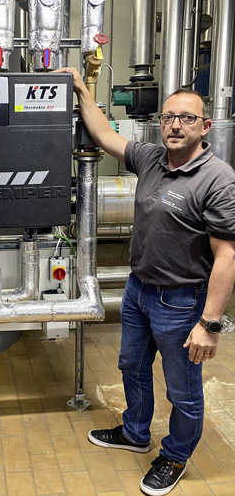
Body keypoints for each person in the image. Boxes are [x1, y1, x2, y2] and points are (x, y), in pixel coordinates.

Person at [55, 67, 235, 495]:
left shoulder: (218, 179)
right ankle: (136, 432)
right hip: (138, 290)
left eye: (187, 118)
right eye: (169, 117)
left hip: (182, 300)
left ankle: (174, 455)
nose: (175, 125)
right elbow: (104, 135)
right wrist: (82, 89)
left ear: (205, 126)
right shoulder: (151, 158)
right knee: (131, 366)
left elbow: (227, 256)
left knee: (182, 389)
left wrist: (209, 324)